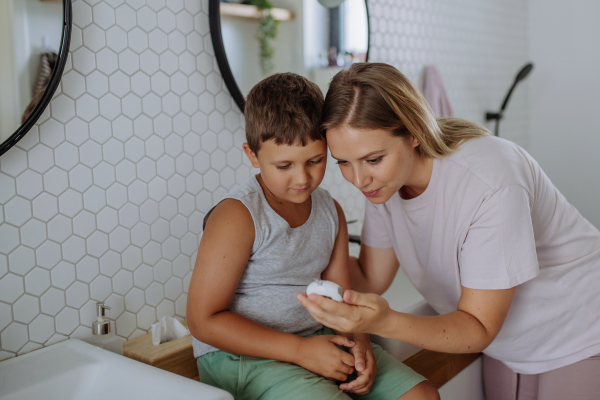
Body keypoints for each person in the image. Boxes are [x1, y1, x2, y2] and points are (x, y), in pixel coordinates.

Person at [297, 63, 600, 400]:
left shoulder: (490, 181)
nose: (357, 179)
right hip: (509, 344)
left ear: (413, 133)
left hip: (581, 332)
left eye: (373, 159)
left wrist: (382, 322)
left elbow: (478, 326)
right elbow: (369, 277)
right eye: (343, 162)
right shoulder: (383, 185)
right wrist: (301, 244)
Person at [186, 73, 439, 400]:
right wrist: (300, 351)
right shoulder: (237, 217)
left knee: (422, 396)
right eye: (284, 165)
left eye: (315, 161)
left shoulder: (329, 212)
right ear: (252, 155)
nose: (302, 178)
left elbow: (342, 296)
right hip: (244, 357)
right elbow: (203, 321)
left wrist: (361, 347)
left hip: (314, 338)